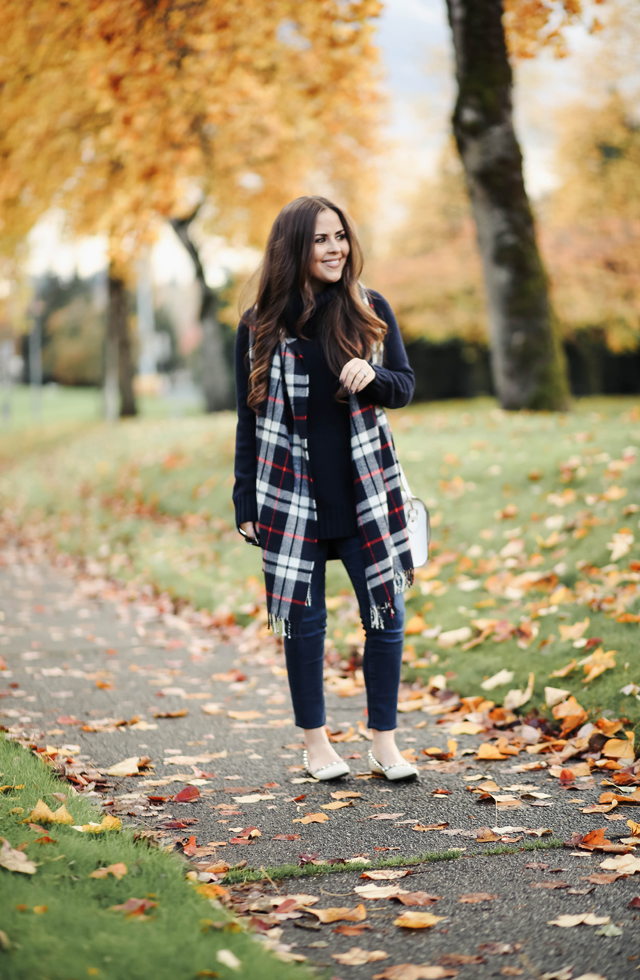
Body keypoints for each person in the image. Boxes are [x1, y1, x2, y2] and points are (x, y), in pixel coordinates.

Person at [233, 195, 418, 782]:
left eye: (339, 235)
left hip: (366, 490)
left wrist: (376, 376)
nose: (335, 247)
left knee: (386, 614)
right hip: (292, 497)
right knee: (304, 625)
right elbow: (248, 417)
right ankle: (316, 746)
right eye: (320, 239)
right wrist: (245, 499)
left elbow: (405, 386)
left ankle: (384, 744)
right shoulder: (259, 325)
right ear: (294, 248)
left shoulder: (369, 307)